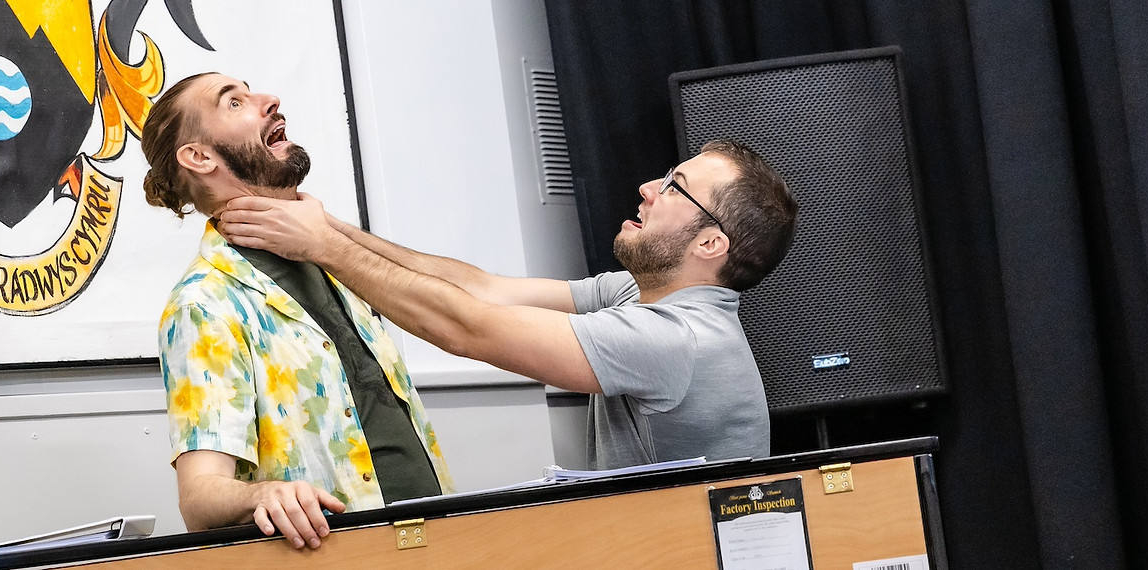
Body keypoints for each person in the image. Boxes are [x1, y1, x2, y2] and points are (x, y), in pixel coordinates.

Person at [217, 138, 798, 471]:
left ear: (711, 243)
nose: (649, 188)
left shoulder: (672, 341)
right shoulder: (635, 295)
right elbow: (482, 290)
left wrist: (322, 247)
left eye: (675, 186)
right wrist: (330, 228)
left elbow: (466, 326)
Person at [140, 73, 453, 550]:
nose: (270, 99)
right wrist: (260, 495)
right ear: (199, 157)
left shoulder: (335, 261)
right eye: (234, 102)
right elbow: (198, 499)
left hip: (446, 543)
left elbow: (467, 296)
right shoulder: (204, 303)